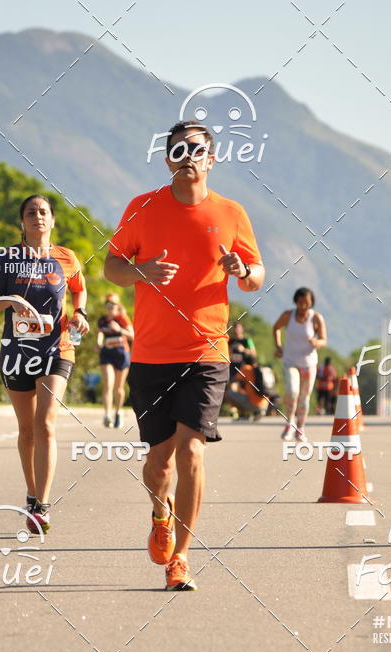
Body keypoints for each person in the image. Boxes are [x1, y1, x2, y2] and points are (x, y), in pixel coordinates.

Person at [104, 120, 265, 590]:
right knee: (159, 463)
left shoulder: (232, 213)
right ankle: (160, 513)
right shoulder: (143, 207)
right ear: (167, 158)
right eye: (178, 149)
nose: (188, 155)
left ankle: (182, 557)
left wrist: (242, 269)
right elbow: (113, 267)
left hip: (206, 351)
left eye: (197, 149)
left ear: (211, 159)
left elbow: (256, 276)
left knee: (192, 450)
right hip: (152, 355)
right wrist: (142, 271)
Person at [0, 194, 89, 533]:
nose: (38, 217)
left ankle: (41, 505)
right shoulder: (6, 260)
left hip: (57, 349)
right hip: (16, 352)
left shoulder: (66, 257)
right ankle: (31, 493)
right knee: (27, 429)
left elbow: (79, 290)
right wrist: (12, 299)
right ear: (22, 222)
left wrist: (80, 313)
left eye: (44, 212)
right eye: (31, 212)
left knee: (45, 423)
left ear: (53, 220)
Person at [273, 287, 327, 441]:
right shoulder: (288, 316)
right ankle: (289, 424)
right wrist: (278, 346)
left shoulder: (316, 318)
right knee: (292, 392)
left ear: (311, 303)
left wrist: (317, 342)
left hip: (308, 363)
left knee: (304, 398)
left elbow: (324, 339)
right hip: (290, 361)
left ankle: (300, 427)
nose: (303, 306)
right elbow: (276, 328)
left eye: (307, 303)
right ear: (296, 301)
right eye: (300, 302)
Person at [96, 292, 133, 427]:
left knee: (118, 388)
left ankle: (118, 412)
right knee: (108, 384)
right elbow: (100, 334)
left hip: (122, 354)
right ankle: (107, 415)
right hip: (107, 354)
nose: (110, 307)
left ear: (118, 306)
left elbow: (132, 336)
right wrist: (99, 344)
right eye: (108, 304)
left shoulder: (122, 318)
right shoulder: (102, 320)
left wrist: (120, 329)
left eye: (113, 304)